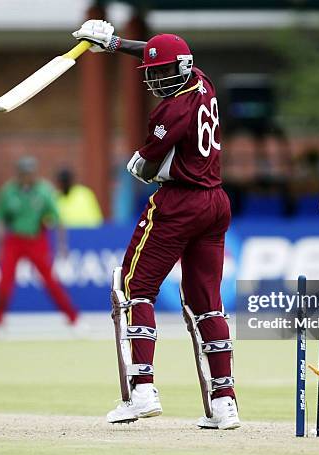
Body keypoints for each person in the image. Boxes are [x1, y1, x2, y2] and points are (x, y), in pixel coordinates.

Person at [73, 21, 240, 429]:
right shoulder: (202, 80)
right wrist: (112, 44)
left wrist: (137, 165)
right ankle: (224, 403)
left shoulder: (170, 110)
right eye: (154, 73)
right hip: (216, 201)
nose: (157, 79)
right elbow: (157, 50)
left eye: (164, 73)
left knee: (131, 288)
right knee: (206, 302)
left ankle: (141, 390)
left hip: (179, 202)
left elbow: (146, 166)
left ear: (180, 70)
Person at [0, 156, 79, 334]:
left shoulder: (43, 191)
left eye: (29, 173)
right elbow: (0, 221)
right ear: (18, 174)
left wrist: (62, 245)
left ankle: (73, 318)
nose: (27, 177)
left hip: (36, 239)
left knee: (50, 281)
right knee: (5, 281)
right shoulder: (8, 192)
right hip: (14, 240)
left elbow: (58, 220)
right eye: (23, 174)